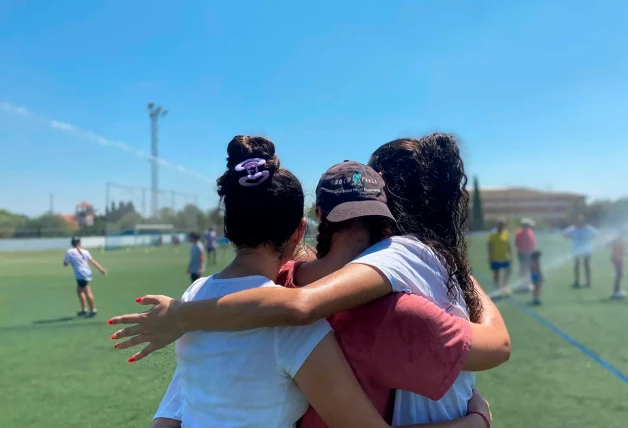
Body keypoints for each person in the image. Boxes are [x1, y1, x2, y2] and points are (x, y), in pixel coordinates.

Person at [110, 135, 509, 426]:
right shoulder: (372, 311)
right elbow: (498, 346)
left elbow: (174, 409)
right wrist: (477, 421)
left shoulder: (202, 293)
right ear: (300, 229)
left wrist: (185, 313)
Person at [63, 237, 107, 317]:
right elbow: (92, 261)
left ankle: (93, 310)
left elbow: (65, 264)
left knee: (87, 291)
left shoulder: (69, 252)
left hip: (80, 274)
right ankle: (84, 309)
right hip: (86, 272)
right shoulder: (85, 251)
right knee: (79, 291)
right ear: (79, 243)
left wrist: (68, 261)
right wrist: (101, 269)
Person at [563, 215, 598, 288]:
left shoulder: (588, 228)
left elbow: (596, 234)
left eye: (582, 221)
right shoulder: (573, 228)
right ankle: (577, 281)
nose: (580, 222)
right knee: (576, 266)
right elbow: (565, 233)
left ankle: (588, 282)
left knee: (587, 265)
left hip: (586, 249)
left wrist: (594, 239)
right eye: (579, 221)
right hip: (576, 249)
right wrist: (571, 237)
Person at [487, 218, 512, 293]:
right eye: (500, 225)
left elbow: (508, 244)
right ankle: (496, 287)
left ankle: (504, 286)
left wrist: (511, 254)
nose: (501, 226)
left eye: (503, 225)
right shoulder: (493, 234)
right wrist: (490, 257)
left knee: (508, 271)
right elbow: (490, 245)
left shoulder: (506, 233)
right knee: (496, 273)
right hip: (496, 257)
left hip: (505, 257)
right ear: (497, 225)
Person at [514, 218, 536, 292]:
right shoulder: (519, 232)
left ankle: (528, 284)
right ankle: (523, 284)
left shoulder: (530, 232)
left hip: (529, 252)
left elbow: (533, 242)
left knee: (528, 268)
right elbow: (517, 243)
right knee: (523, 268)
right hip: (523, 253)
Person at [610, 231, 626, 299]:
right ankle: (616, 292)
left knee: (619, 275)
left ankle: (618, 290)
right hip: (617, 259)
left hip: (617, 258)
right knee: (619, 275)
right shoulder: (619, 240)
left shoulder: (619, 240)